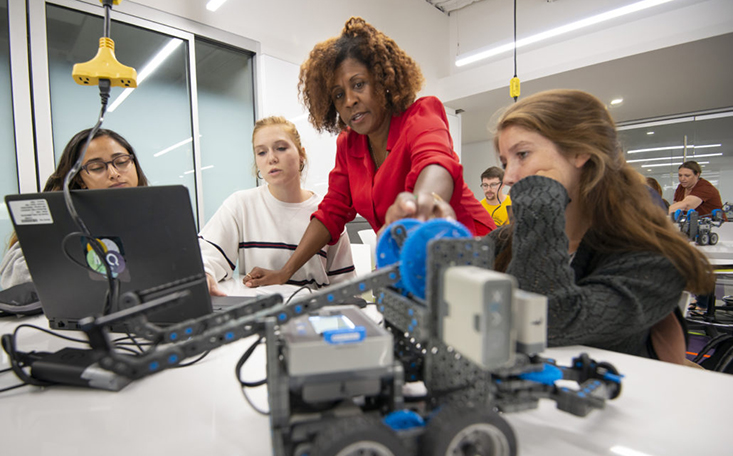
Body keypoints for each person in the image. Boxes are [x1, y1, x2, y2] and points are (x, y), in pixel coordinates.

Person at [244, 17, 493, 288]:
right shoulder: (348, 145)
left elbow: (435, 163)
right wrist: (285, 271)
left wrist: (418, 208)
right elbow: (332, 212)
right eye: (339, 95)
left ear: (382, 81)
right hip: (413, 262)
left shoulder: (421, 115)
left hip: (472, 253)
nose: (350, 100)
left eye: (359, 84)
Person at [490, 89, 714, 363]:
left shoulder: (653, 259)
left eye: (522, 154)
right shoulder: (509, 239)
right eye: (504, 162)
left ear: (580, 151)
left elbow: (546, 324)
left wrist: (538, 200)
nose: (509, 177)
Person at [199, 116, 355, 296]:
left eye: (281, 148)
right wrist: (206, 275)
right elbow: (208, 255)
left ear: (301, 155)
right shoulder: (240, 205)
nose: (271, 158)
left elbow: (346, 287)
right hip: (259, 314)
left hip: (311, 313)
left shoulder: (328, 214)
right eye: (261, 152)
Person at [0, 128, 148, 289]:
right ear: (80, 179)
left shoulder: (161, 212)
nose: (114, 173)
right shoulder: (61, 216)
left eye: (121, 162)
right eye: (97, 167)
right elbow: (14, 277)